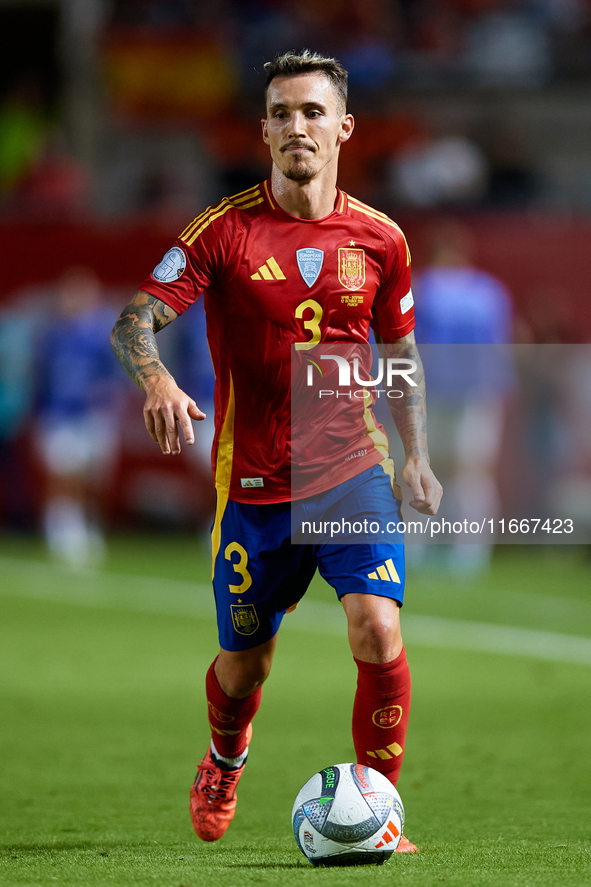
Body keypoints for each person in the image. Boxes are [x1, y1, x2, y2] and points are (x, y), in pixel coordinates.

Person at [110, 50, 442, 853]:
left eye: (313, 112)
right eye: (283, 114)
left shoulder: (381, 238)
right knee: (244, 667)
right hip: (255, 486)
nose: (298, 126)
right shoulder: (221, 232)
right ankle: (225, 756)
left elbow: (398, 352)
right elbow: (132, 321)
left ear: (343, 128)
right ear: (262, 131)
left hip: (351, 473)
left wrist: (415, 454)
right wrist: (155, 381)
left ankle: (381, 810)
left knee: (377, 631)